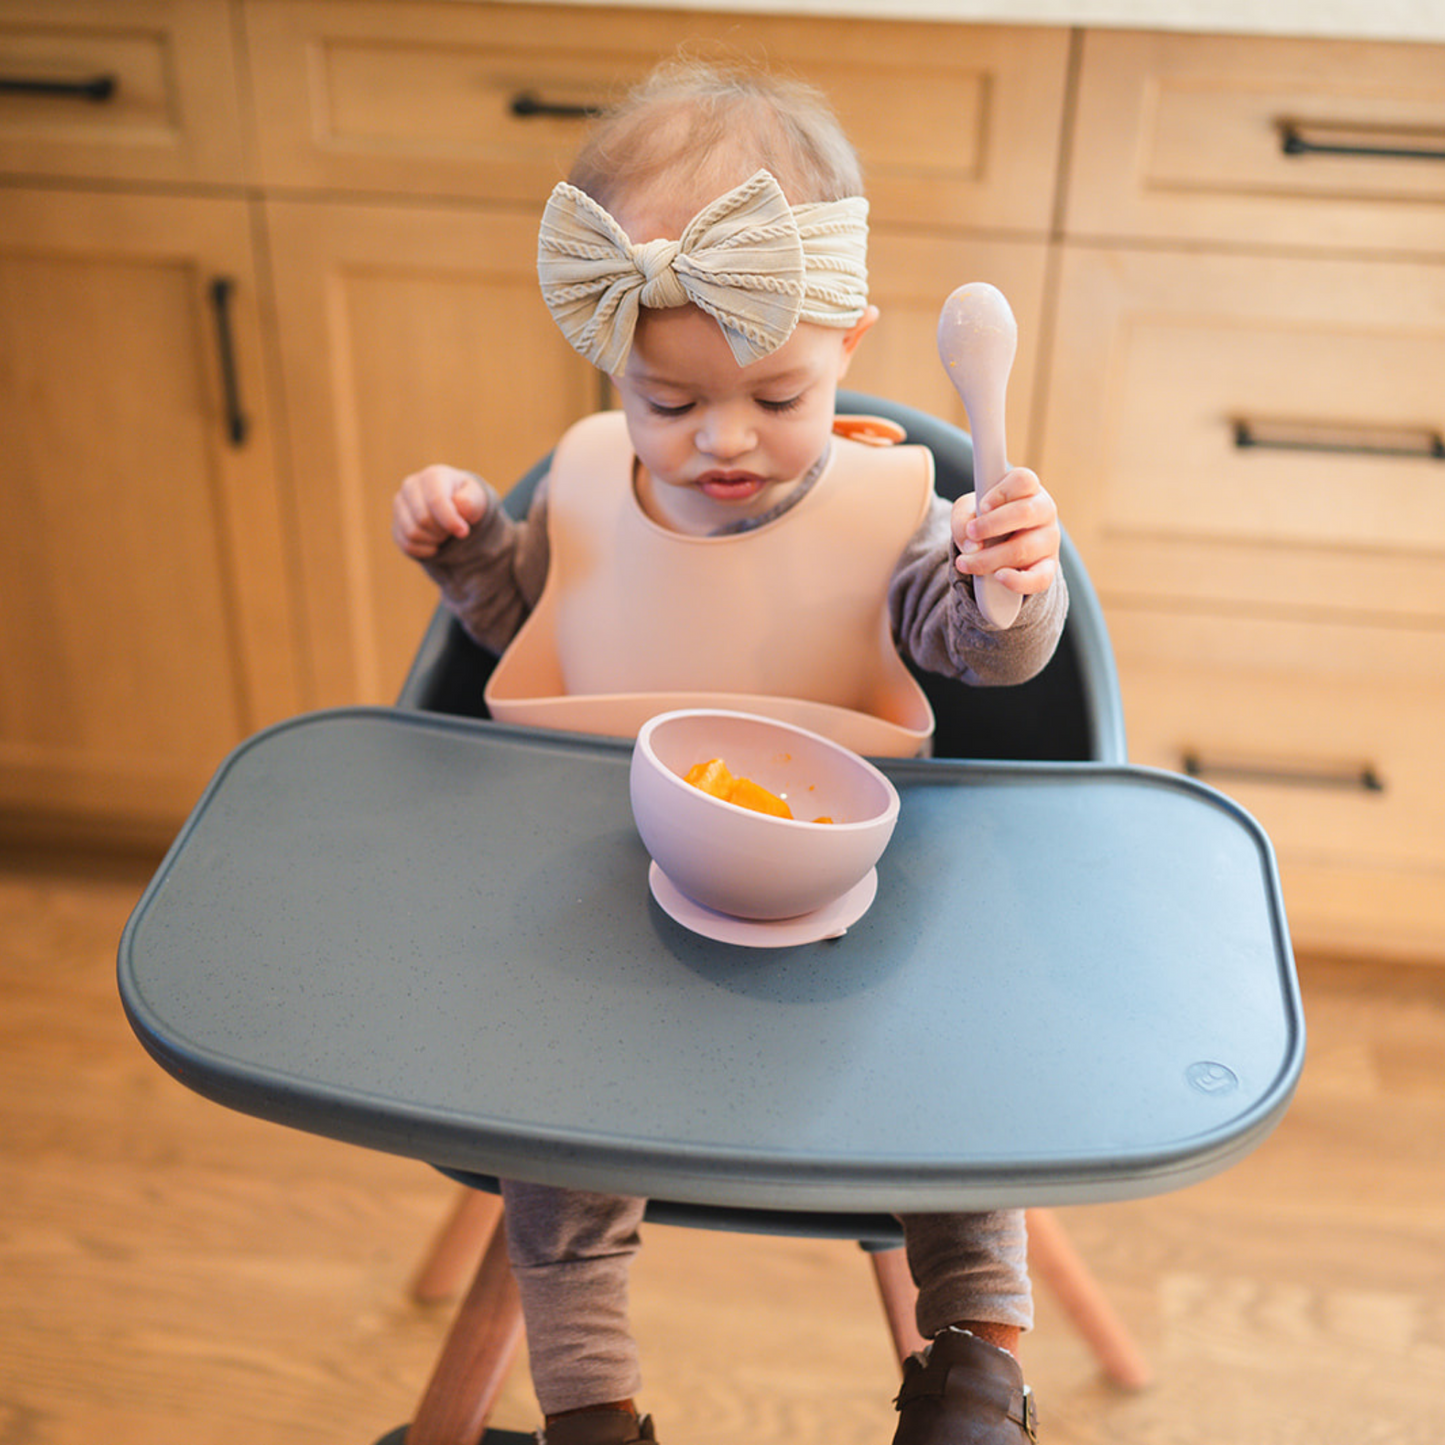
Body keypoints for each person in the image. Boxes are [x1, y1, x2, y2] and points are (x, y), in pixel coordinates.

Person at [392, 59, 1063, 1445]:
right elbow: (547, 615)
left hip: (849, 924)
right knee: (550, 1141)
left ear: (853, 343)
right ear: (612, 368)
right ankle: (593, 1408)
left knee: (963, 1089)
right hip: (617, 912)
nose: (722, 442)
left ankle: (978, 1364)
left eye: (774, 393)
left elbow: (980, 648)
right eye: (668, 402)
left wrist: (1009, 582)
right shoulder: (583, 479)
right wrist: (470, 552)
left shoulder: (899, 509)